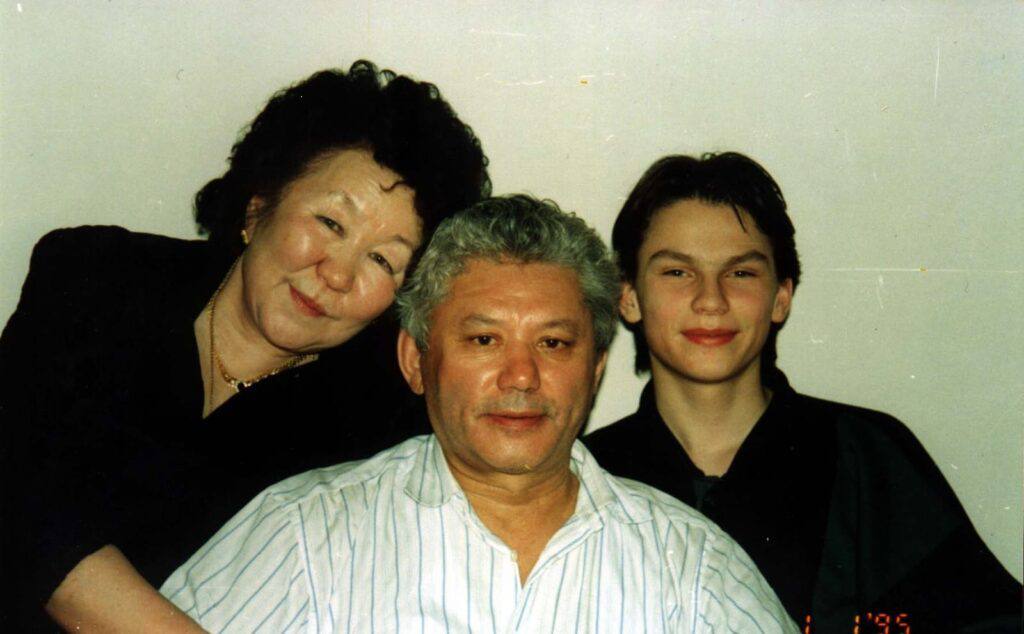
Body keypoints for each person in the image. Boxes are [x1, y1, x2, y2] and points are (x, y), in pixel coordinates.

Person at [0, 60, 489, 631]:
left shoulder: (380, 414)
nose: (337, 273)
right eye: (330, 223)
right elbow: (18, 499)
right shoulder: (97, 279)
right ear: (259, 207)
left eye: (382, 259)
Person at [160, 195, 797, 632]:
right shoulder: (304, 535)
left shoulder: (693, 568)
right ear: (415, 360)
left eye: (554, 343)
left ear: (596, 367)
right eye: (484, 339)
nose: (521, 376)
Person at [583, 152, 1022, 632]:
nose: (711, 299)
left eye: (741, 273)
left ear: (781, 297)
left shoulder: (865, 455)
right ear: (628, 296)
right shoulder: (586, 475)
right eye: (677, 272)